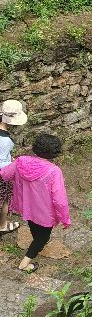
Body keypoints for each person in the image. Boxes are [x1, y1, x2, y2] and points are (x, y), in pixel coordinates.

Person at [0, 132, 71, 274]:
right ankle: (24, 264)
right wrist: (65, 219)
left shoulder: (21, 161)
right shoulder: (54, 171)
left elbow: (4, 174)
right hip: (45, 213)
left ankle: (35, 242)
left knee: (34, 228)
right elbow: (59, 200)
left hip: (26, 208)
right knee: (43, 238)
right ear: (54, 153)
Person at [0, 100, 27, 234]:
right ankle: (2, 225)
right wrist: (12, 164)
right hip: (2, 174)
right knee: (4, 198)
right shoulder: (5, 141)